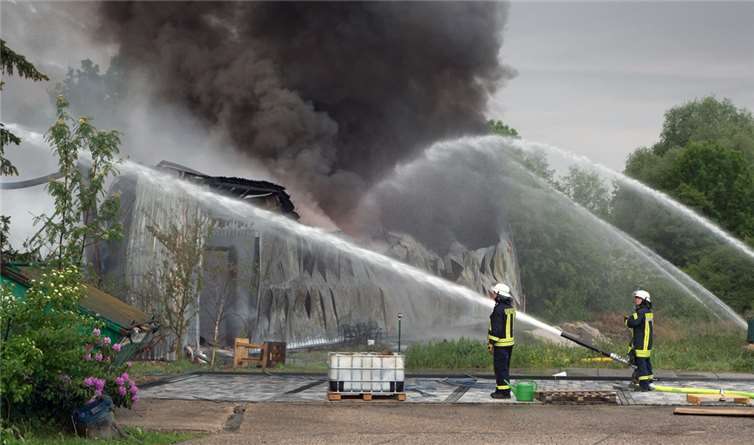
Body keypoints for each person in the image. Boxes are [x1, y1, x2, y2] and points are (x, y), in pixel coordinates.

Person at [487, 282, 515, 399]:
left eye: (494, 293)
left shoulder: (498, 310)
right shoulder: (510, 308)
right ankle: (501, 388)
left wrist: (491, 343)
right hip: (509, 344)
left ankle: (504, 393)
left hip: (501, 344)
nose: (492, 295)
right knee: (504, 368)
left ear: (499, 294)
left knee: (500, 368)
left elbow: (497, 330)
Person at [625, 289, 654, 391]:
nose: (636, 300)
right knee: (646, 362)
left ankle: (644, 386)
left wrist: (627, 320)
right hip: (647, 342)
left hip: (641, 342)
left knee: (641, 363)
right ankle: (650, 381)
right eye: (636, 298)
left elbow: (632, 323)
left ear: (644, 300)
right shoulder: (648, 312)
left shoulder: (640, 312)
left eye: (638, 298)